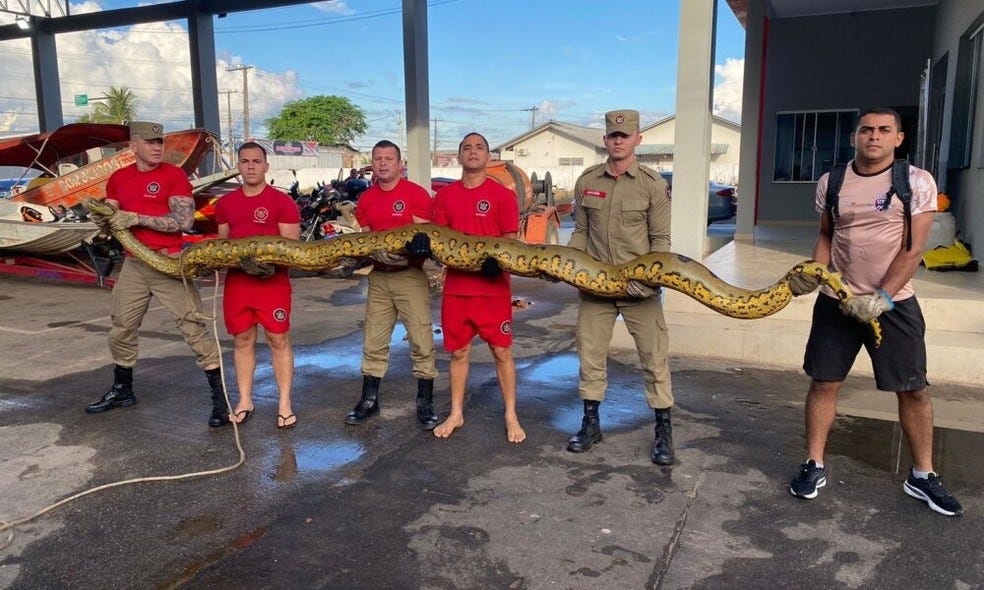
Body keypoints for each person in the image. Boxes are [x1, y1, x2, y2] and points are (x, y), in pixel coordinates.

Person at [787, 106, 963, 516]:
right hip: (837, 302)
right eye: (866, 129)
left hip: (894, 303)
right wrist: (815, 273)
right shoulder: (832, 182)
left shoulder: (915, 182)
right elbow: (826, 236)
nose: (874, 136)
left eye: (884, 130)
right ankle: (814, 464)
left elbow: (913, 249)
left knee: (913, 389)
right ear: (854, 136)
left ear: (898, 139)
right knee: (823, 382)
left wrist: (883, 297)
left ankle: (923, 475)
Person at [85, 121, 228, 428]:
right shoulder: (119, 178)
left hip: (169, 261)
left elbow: (183, 220)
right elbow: (110, 216)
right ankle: (123, 389)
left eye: (159, 142)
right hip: (134, 263)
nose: (156, 147)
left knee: (193, 327)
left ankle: (221, 400)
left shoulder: (173, 176)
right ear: (133, 146)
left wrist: (135, 217)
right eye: (149, 142)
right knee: (122, 326)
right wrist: (102, 218)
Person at [565, 109, 676, 465]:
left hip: (639, 290)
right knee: (589, 356)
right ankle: (591, 424)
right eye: (613, 135)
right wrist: (568, 265)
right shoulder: (587, 180)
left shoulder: (652, 184)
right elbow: (581, 232)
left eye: (624, 135)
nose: (618, 140)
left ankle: (663, 430)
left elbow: (661, 241)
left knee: (654, 358)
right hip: (595, 288)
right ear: (605, 139)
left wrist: (650, 280)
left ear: (637, 140)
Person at [423, 132, 525, 443]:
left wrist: (499, 262)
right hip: (457, 289)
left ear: (488, 156)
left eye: (479, 147)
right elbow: (439, 241)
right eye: (467, 147)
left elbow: (511, 242)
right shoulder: (445, 197)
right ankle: (456, 412)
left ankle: (511, 414)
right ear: (459, 156)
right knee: (458, 353)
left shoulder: (503, 195)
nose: (473, 151)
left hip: (493, 290)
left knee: (501, 351)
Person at [344, 140, 439, 430]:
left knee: (421, 340)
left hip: (410, 276)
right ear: (372, 163)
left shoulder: (416, 194)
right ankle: (369, 400)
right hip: (379, 277)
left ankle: (425, 402)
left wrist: (418, 246)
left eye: (389, 158)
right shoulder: (366, 199)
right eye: (378, 158)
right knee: (373, 340)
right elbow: (367, 238)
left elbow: (426, 237)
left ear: (400, 164)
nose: (383, 163)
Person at [214, 142, 301, 429]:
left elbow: (292, 249)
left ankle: (284, 403)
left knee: (278, 340)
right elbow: (223, 246)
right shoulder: (225, 204)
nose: (250, 166)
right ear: (238, 165)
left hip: (272, 286)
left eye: (256, 161)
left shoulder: (282, 202)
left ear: (266, 166)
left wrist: (269, 265)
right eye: (245, 161)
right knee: (242, 340)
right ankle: (245, 400)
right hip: (238, 285)